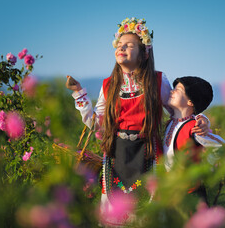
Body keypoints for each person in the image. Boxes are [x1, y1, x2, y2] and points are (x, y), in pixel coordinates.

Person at [66, 18, 210, 225]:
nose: (121, 48)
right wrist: (79, 93)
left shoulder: (158, 81)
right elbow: (96, 124)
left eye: (129, 45)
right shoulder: (109, 85)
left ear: (144, 54)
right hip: (117, 155)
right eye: (119, 45)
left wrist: (201, 119)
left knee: (147, 216)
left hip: (148, 154)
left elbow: (180, 111)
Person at [163, 76, 225, 204]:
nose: (171, 91)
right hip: (171, 193)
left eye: (178, 90)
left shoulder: (195, 128)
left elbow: (222, 146)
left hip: (190, 196)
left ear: (191, 101)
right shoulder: (169, 123)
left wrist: (210, 166)